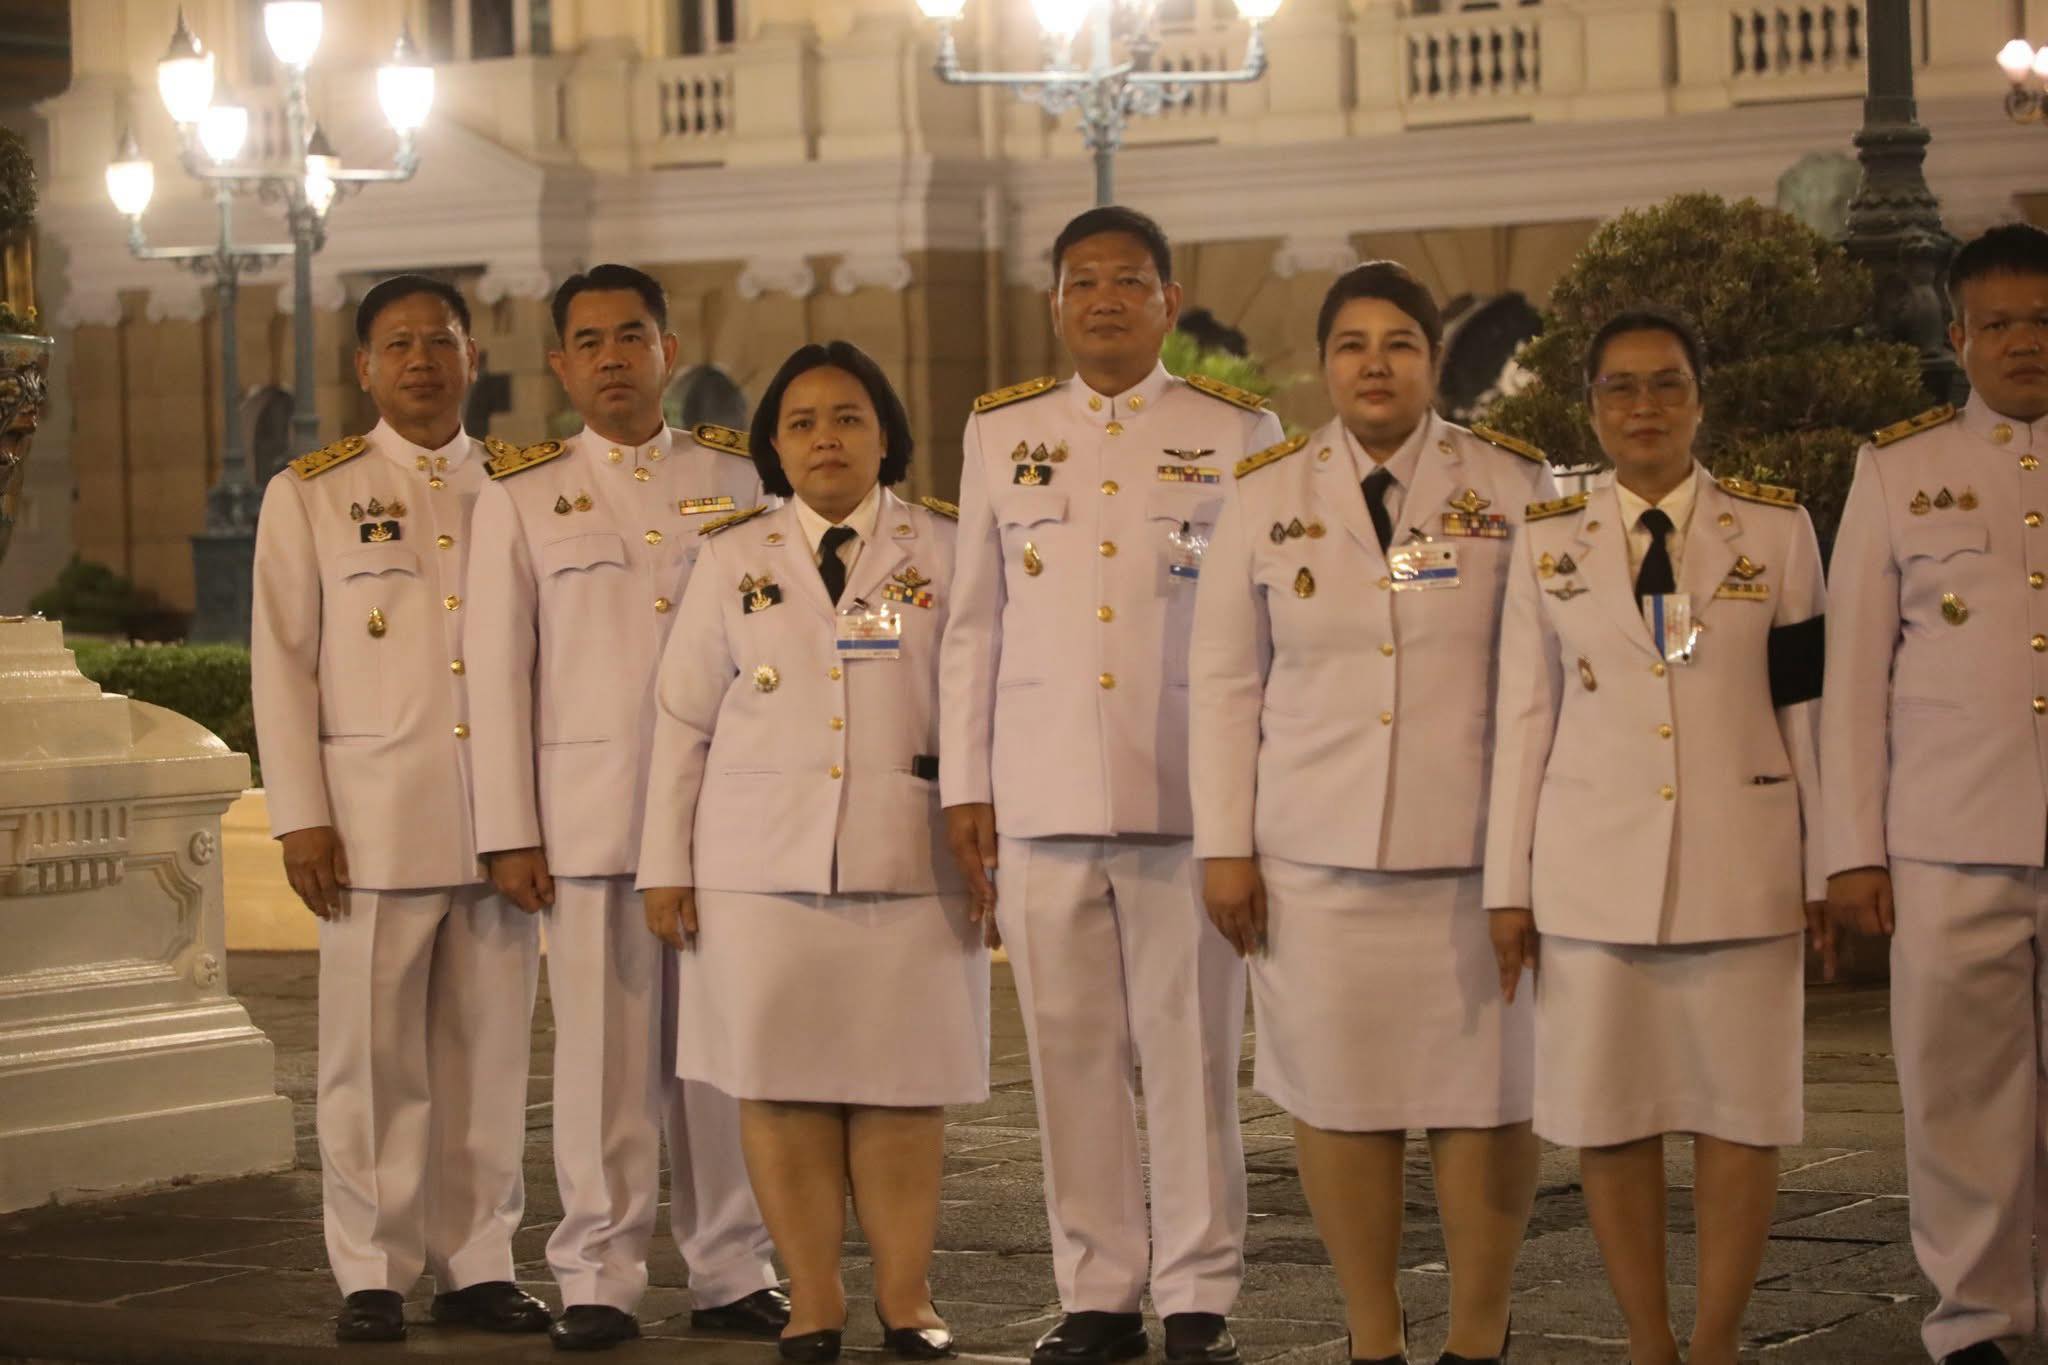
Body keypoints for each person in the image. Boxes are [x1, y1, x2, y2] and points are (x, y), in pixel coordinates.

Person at [939, 204, 1285, 1365]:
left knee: (1191, 1056)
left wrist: (1248, 808)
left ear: (1166, 302)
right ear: (1054, 303)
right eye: (1081, 281)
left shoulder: (1234, 430)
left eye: (1126, 281)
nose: (1103, 299)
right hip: (1040, 795)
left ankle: (1196, 1295)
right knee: (1068, 1055)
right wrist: (967, 787)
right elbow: (973, 623)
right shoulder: (1002, 432)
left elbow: (1258, 629)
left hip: (1185, 795)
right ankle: (1096, 1290)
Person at [1189, 261, 1552, 1365]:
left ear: (1434, 360)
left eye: (1399, 343)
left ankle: (1477, 1335)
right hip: (1316, 857)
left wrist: (1525, 866)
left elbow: (1536, 684)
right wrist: (1224, 846)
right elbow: (1225, 683)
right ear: (1323, 364)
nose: (1375, 365)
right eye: (1352, 345)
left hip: (1473, 857)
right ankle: (1372, 1333)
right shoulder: (1264, 493)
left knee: (1486, 1101)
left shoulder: (1512, 484)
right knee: (1339, 1100)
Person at [1483, 309, 1832, 1365]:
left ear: (1699, 397)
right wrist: (1507, 886)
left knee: (1742, 1117)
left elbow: (1806, 709)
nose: (1644, 406)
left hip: (1743, 862)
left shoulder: (1774, 531)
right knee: (1611, 1117)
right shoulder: (1546, 541)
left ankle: (1716, 1339)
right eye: (1621, 387)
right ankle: (1646, 1338)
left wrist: (1827, 862)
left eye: (1666, 383)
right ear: (1590, 405)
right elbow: (1522, 718)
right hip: (1593, 871)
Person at [638, 340, 989, 1363]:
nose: (824, 438)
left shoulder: (947, 547)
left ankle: (906, 1297)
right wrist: (665, 864)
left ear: (885, 436)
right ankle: (813, 1298)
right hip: (758, 868)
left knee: (902, 1087)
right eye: (800, 423)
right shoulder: (729, 557)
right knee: (779, 1085)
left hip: (909, 858)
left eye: (846, 418)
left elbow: (979, 704)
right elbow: (682, 720)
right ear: (773, 447)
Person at [465, 264, 786, 1353]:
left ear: (668, 350)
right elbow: (496, 673)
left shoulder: (737, 475)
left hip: (720, 819)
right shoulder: (519, 494)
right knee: (601, 1063)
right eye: (591, 341)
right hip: (591, 820)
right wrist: (509, 829)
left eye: (632, 337)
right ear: (561, 364)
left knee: (719, 1058)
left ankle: (731, 1267)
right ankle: (598, 1274)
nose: (613, 358)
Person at [250, 274, 551, 1344]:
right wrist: (300, 813)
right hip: (372, 821)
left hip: (502, 824)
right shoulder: (314, 491)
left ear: (474, 356)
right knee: (369, 1063)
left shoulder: (522, 485)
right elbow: (283, 662)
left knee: (488, 1057)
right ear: (365, 368)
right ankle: (371, 1268)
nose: (421, 360)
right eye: (398, 344)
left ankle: (479, 1263)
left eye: (440, 341)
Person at [1823, 222, 2048, 1365]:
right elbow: (1854, 673)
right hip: (1948, 835)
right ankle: (1974, 1319)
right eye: (1996, 322)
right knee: (1958, 1096)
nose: (2022, 341)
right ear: (1956, 338)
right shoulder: (1896, 470)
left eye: (2039, 319)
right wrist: (1851, 848)